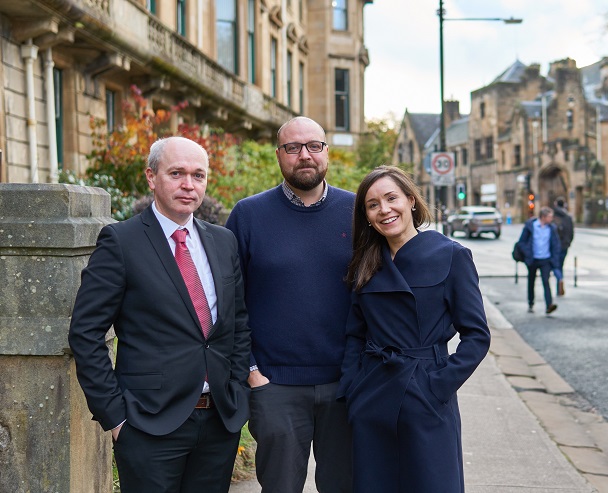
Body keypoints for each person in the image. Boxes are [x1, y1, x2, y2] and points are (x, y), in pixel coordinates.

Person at [68, 136, 251, 493]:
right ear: (152, 177)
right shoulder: (121, 242)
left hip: (219, 420)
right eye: (177, 173)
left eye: (198, 175)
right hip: (147, 425)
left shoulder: (223, 240)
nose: (188, 184)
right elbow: (85, 332)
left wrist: (237, 390)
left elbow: (237, 323)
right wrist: (116, 417)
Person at [337, 165, 491, 493]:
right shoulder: (366, 261)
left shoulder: (451, 255)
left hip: (427, 398)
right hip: (373, 397)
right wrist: (353, 389)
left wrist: (437, 386)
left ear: (410, 201)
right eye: (373, 204)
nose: (384, 210)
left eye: (391, 198)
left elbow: (477, 335)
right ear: (365, 215)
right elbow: (355, 332)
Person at [225, 116, 354, 493]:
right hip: (274, 385)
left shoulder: (359, 211)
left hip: (345, 385)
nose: (305, 155)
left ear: (327, 152)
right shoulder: (248, 215)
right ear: (279, 155)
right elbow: (230, 300)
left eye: (314, 145)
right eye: (292, 147)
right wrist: (253, 374)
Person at [517, 206, 561, 315]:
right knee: (531, 281)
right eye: (549, 217)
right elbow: (521, 242)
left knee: (546, 281)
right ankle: (531, 303)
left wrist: (554, 259)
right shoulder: (530, 226)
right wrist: (527, 253)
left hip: (545, 259)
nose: (551, 219)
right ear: (543, 217)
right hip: (533, 259)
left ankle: (549, 305)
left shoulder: (551, 228)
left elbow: (556, 245)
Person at [552, 197, 574, 296]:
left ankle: (559, 279)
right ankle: (559, 283)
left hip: (555, 246)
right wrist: (568, 242)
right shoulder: (568, 217)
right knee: (560, 265)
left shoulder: (553, 216)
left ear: (556, 204)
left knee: (555, 265)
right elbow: (571, 232)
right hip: (565, 245)